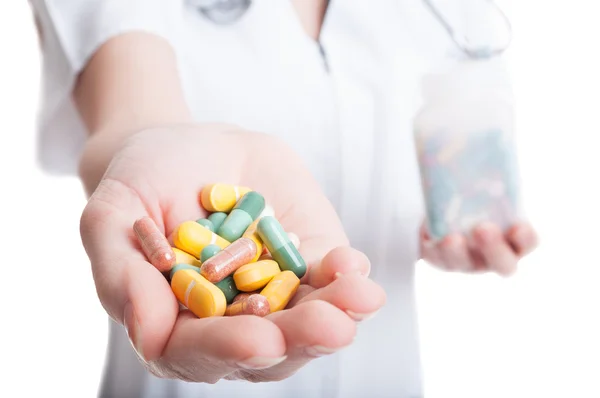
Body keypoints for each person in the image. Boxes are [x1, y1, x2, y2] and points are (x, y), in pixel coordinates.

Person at [30, 0, 538, 397]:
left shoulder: (452, 12)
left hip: (388, 370)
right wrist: (148, 142)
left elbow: (453, 154)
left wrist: (452, 229)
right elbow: (128, 95)